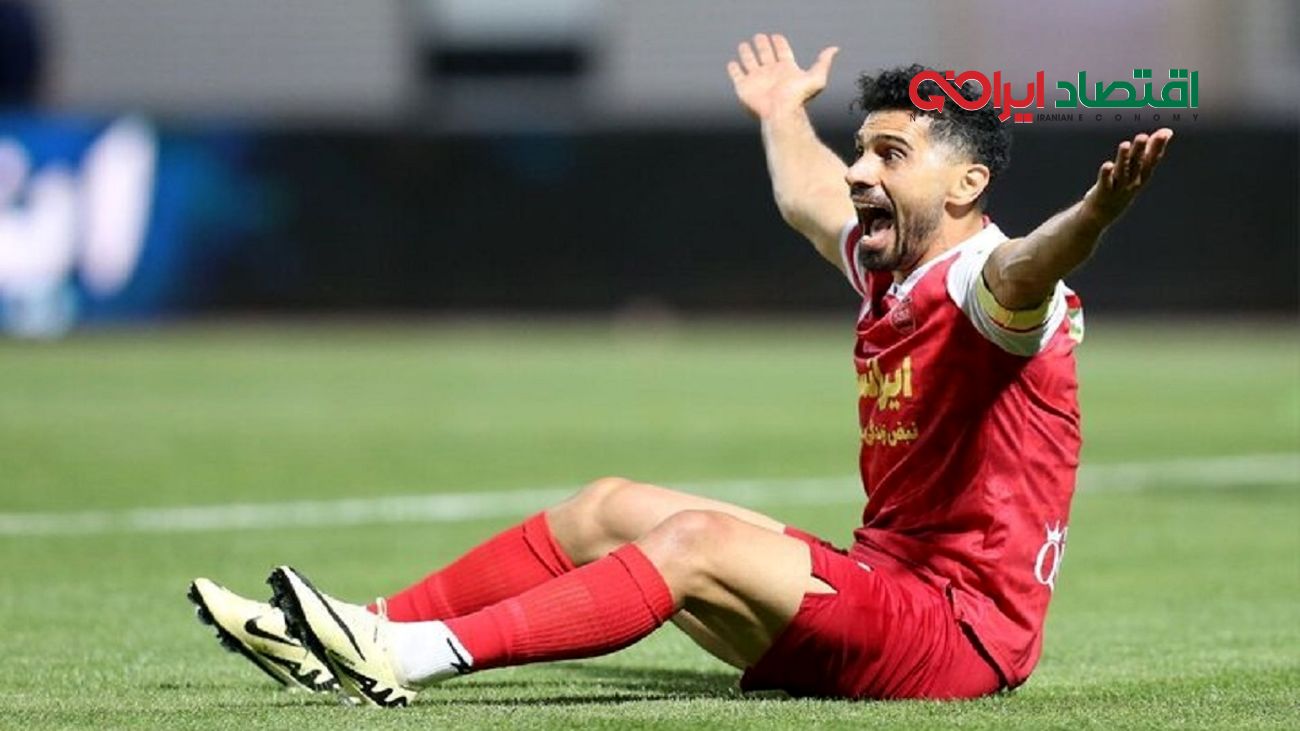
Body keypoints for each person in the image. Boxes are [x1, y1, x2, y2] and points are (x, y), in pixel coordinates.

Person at [189, 33, 1172, 707]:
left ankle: (407, 655)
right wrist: (782, 112)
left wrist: (1092, 216)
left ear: (967, 183)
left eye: (889, 154)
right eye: (862, 149)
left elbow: (1026, 264)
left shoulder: (984, 285)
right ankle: (341, 629)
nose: (860, 172)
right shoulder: (894, 264)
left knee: (694, 540)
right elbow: (806, 198)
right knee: (609, 505)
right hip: (888, 584)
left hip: (959, 635)